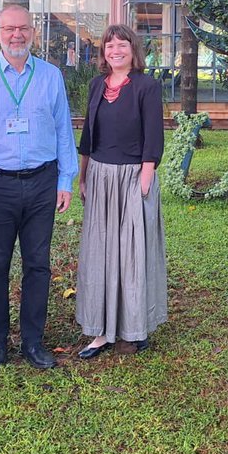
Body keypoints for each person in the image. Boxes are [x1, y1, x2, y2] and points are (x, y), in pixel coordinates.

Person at [0, 6, 77, 369]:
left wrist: (65, 179)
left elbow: (63, 129)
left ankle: (32, 340)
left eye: (23, 28)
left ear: (33, 33)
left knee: (38, 264)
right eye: (9, 29)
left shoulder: (50, 75)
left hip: (43, 182)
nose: (17, 35)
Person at [75, 24, 167, 360]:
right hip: (100, 176)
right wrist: (83, 176)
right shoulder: (97, 84)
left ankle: (135, 327)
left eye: (122, 44)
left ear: (133, 49)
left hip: (133, 178)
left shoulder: (147, 86)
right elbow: (88, 135)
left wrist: (144, 181)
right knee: (100, 254)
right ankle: (100, 332)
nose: (115, 50)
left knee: (132, 255)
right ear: (103, 52)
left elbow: (153, 137)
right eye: (109, 45)